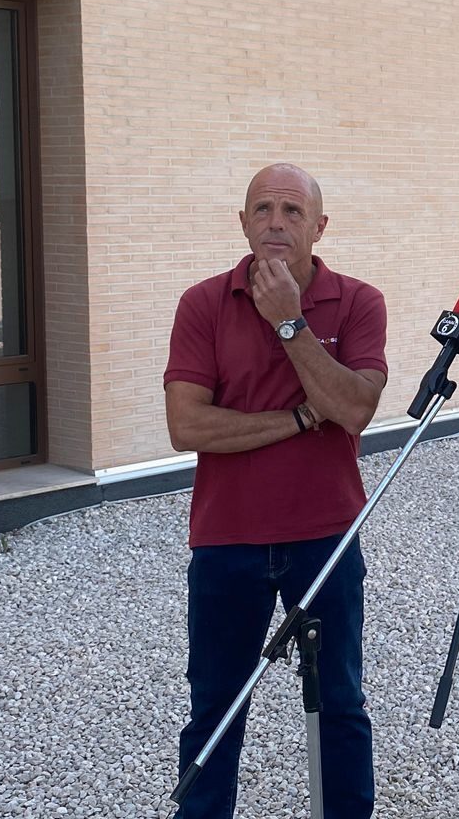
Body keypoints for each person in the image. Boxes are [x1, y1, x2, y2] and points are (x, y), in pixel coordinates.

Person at [162, 163, 389, 819]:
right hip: (226, 540)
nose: (276, 223)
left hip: (327, 538)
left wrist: (290, 323)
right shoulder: (202, 303)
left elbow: (354, 409)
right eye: (262, 209)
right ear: (243, 223)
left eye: (292, 211)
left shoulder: (359, 302)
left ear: (319, 227)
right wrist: (297, 418)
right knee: (215, 707)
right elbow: (186, 426)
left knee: (340, 702)